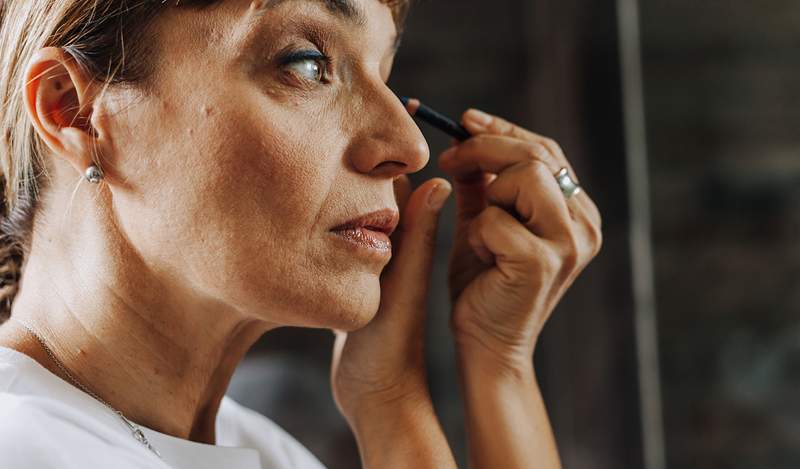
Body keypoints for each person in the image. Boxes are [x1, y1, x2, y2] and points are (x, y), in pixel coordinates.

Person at [0, 0, 603, 468]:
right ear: (71, 111)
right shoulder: (24, 448)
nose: (410, 147)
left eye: (386, 74)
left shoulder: (268, 452)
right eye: (307, 64)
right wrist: (393, 413)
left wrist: (491, 360)